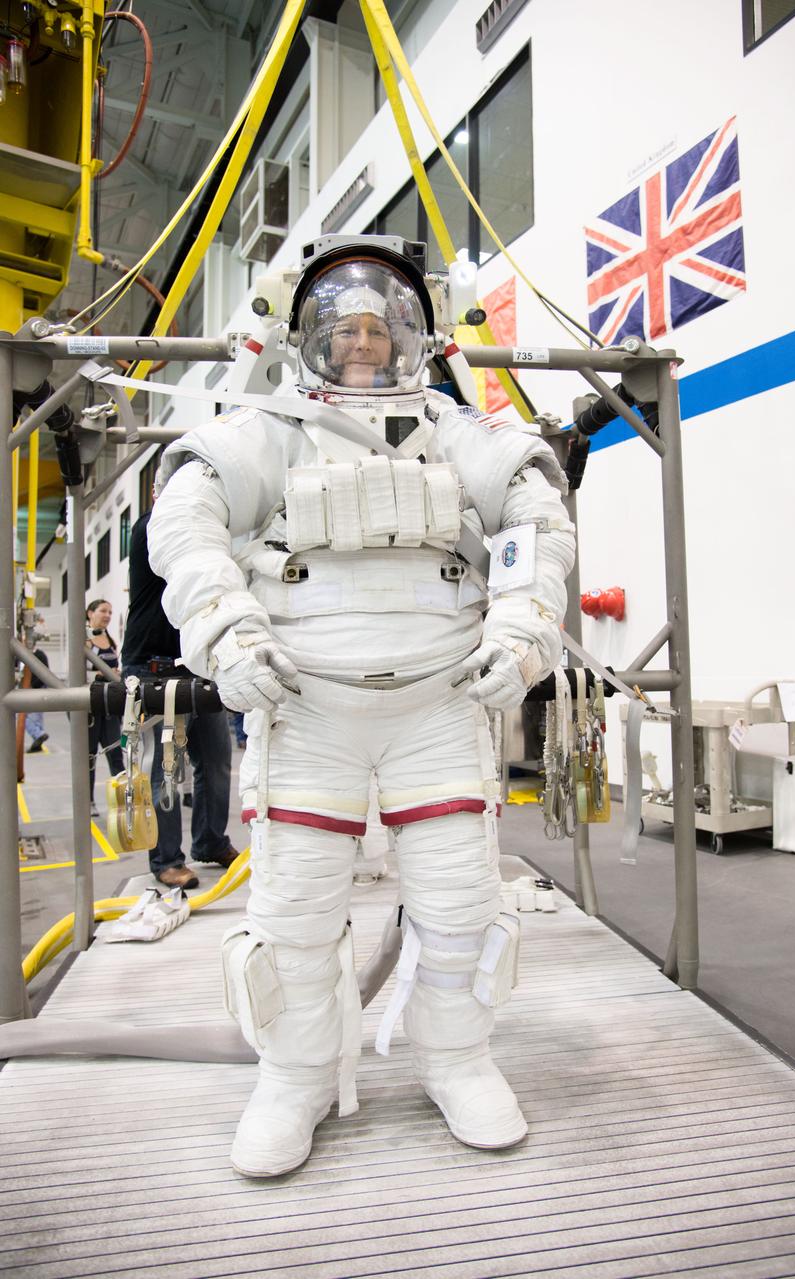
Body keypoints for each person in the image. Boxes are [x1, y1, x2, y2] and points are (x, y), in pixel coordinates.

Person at [148, 236, 575, 1178]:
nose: (364, 344)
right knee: (295, 912)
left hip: (438, 706)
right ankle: (293, 1077)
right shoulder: (270, 428)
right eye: (345, 330)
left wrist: (525, 627)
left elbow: (537, 511)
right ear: (309, 337)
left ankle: (456, 1057)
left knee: (461, 907)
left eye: (383, 329)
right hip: (308, 712)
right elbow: (185, 513)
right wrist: (223, 626)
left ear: (415, 337)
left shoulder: (456, 431)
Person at [122, 509, 240, 890]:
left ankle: (209, 841)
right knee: (167, 768)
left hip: (198, 662)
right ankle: (167, 859)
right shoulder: (154, 525)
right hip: (154, 664)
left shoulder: (205, 522)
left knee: (216, 758)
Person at [86, 599, 124, 816]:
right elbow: (78, 674)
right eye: (103, 611)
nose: (107, 615)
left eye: (110, 611)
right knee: (89, 755)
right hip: (91, 706)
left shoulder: (109, 639)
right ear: (90, 613)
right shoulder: (85, 640)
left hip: (110, 705)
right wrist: (100, 675)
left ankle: (121, 800)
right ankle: (88, 801)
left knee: (115, 754)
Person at [24, 647, 50, 752]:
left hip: (37, 688)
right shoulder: (20, 654)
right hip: (28, 689)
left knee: (25, 717)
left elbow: (45, 672)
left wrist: (34, 686)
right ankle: (37, 741)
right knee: (36, 717)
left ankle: (39, 734)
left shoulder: (40, 655)